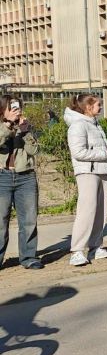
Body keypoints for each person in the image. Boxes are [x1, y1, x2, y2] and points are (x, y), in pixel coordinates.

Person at [64, 94, 107, 266]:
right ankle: (77, 251)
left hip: (101, 169)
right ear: (87, 107)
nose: (101, 107)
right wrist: (106, 153)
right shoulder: (78, 125)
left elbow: (94, 148)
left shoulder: (94, 123)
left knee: (100, 212)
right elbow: (79, 152)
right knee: (86, 212)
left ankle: (96, 247)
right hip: (88, 172)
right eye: (98, 104)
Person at [0, 96, 41, 270]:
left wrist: (25, 132)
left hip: (26, 177)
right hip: (3, 176)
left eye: (18, 107)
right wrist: (8, 125)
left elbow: (34, 150)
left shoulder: (25, 126)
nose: (16, 111)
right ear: (3, 109)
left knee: (29, 220)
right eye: (12, 107)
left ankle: (28, 257)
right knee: (0, 221)